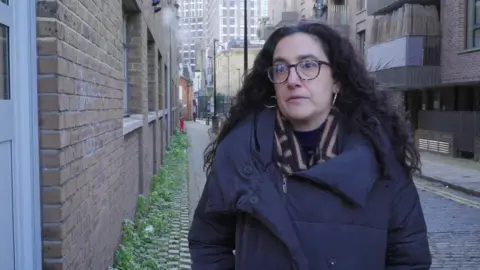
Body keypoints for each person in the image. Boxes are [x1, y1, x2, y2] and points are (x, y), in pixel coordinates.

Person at [188, 22, 431, 270]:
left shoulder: (382, 156)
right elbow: (208, 241)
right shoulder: (239, 152)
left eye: (308, 65)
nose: (293, 79)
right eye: (281, 68)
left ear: (336, 79)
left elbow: (409, 258)